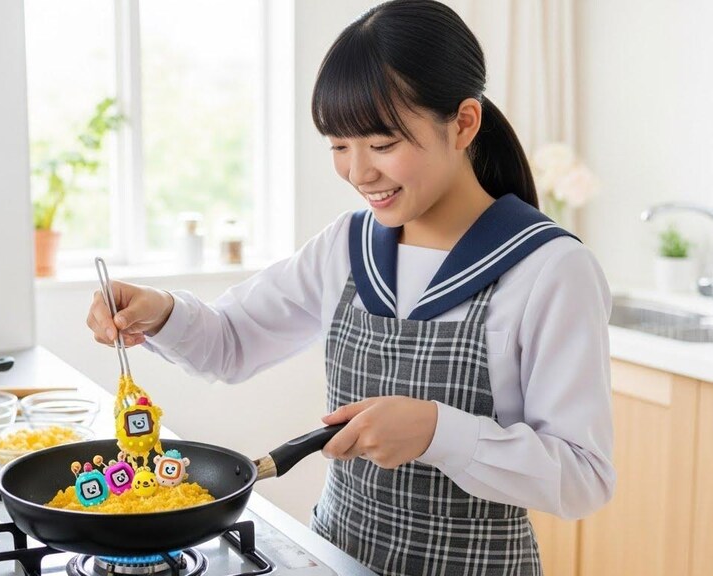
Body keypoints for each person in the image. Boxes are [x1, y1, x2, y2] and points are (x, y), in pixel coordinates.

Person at [86, 0, 614, 573]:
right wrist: (159, 311)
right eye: (339, 145)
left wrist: (439, 432)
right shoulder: (349, 244)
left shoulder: (549, 269)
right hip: (333, 558)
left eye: (383, 145)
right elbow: (232, 342)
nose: (358, 172)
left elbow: (583, 477)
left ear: (463, 123)